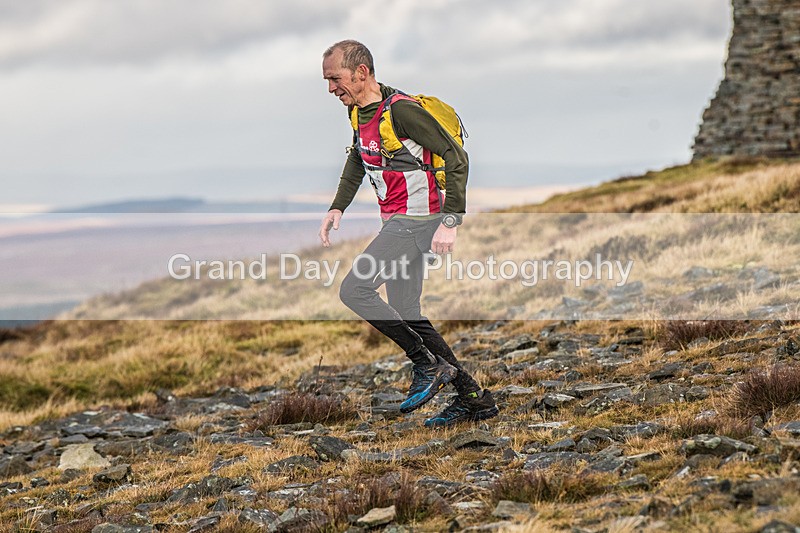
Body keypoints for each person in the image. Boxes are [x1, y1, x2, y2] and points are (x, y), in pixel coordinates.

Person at [318, 40, 498, 427]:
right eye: (328, 81)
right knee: (408, 312)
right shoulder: (358, 112)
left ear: (361, 73)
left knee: (354, 290)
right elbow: (357, 157)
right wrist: (338, 206)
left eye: (335, 79)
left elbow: (457, 157)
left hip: (418, 220)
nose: (331, 88)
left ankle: (425, 364)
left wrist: (451, 221)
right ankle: (474, 398)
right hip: (396, 220)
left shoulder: (401, 112)